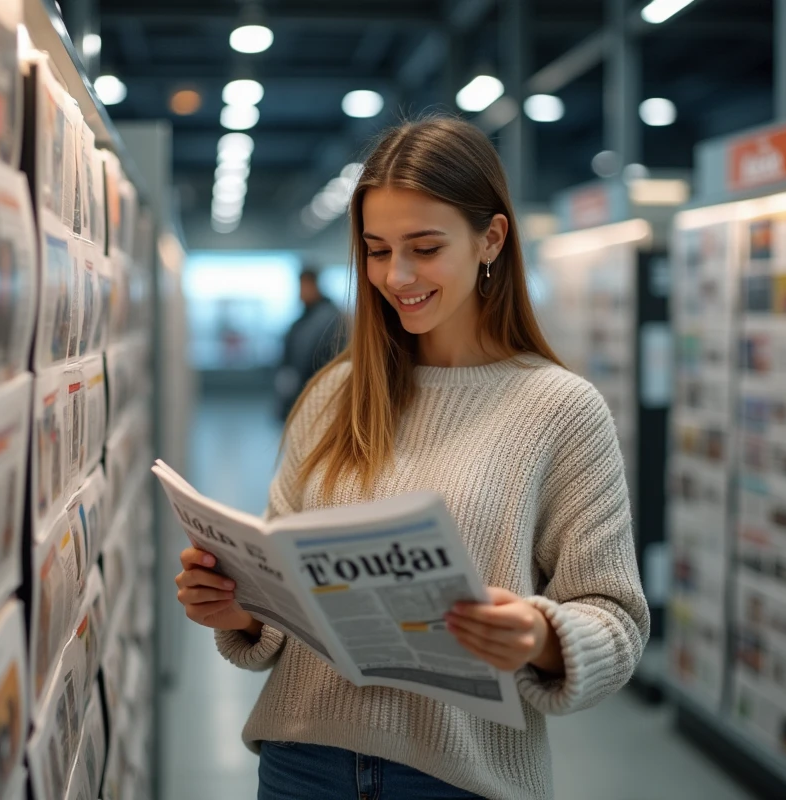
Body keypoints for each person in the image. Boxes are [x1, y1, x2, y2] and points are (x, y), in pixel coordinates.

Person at [173, 116, 649, 800]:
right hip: (302, 763)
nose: (396, 276)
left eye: (424, 248)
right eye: (375, 250)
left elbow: (617, 618)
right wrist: (239, 609)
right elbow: (282, 579)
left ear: (491, 238)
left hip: (459, 779)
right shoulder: (335, 394)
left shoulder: (560, 410)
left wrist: (540, 635)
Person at [274, 268, 344, 420]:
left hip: (316, 393)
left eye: (304, 286)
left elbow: (327, 358)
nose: (300, 292)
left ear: (314, 285)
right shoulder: (306, 318)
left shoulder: (327, 318)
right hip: (300, 391)